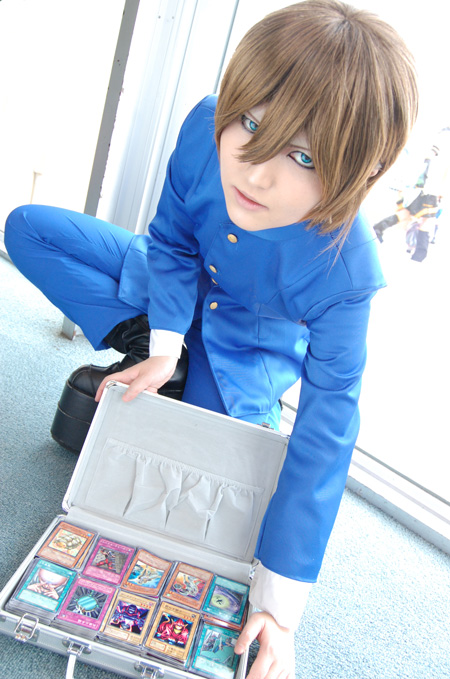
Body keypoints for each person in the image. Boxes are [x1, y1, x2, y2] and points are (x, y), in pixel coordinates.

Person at [4, 1, 418, 676]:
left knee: (210, 487)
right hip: (165, 292)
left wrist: (279, 607)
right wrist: (165, 342)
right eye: (251, 123)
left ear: (358, 175)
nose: (254, 170)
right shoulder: (205, 123)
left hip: (244, 352)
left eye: (303, 156)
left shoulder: (348, 272)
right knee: (29, 228)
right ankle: (158, 359)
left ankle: (201, 387)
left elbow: (327, 431)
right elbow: (169, 239)